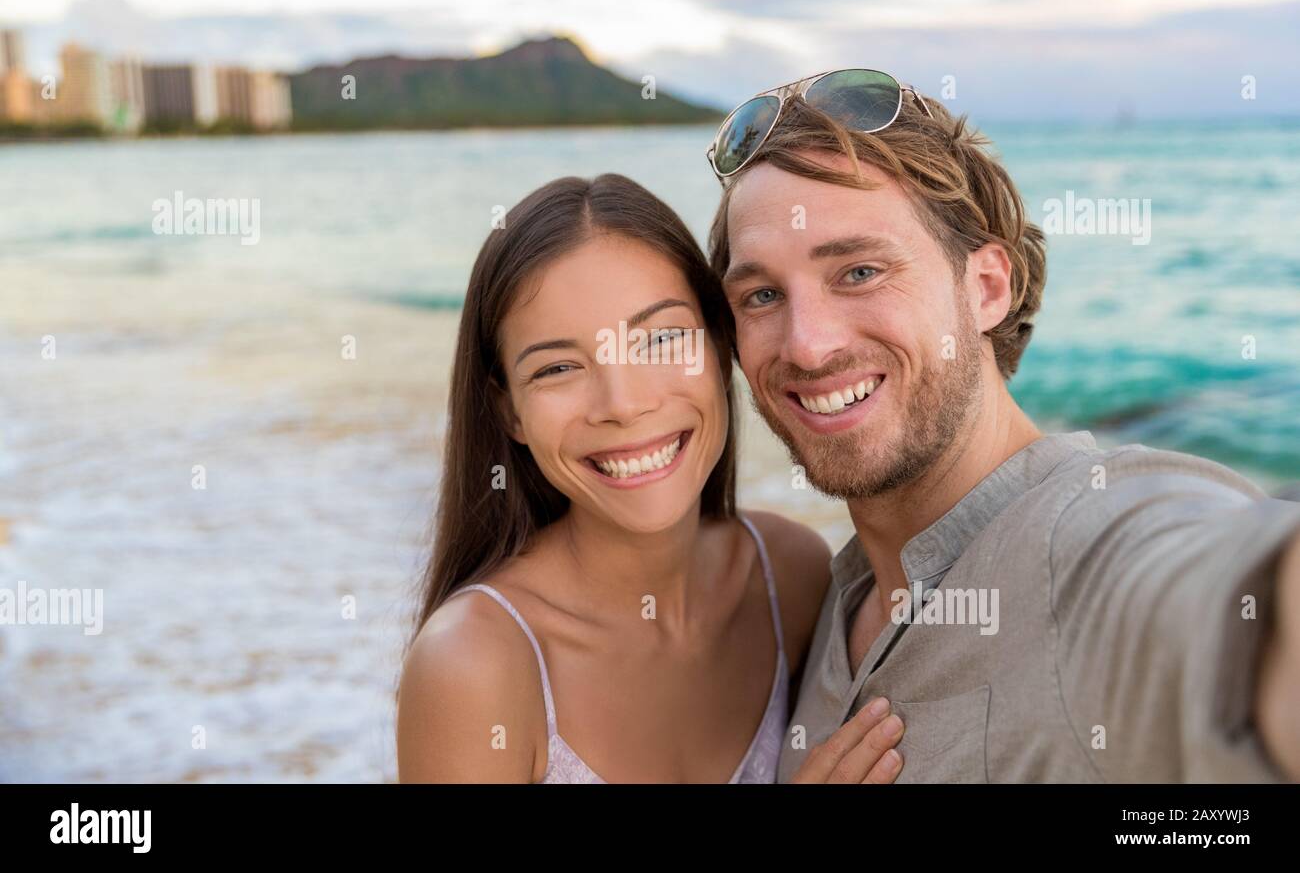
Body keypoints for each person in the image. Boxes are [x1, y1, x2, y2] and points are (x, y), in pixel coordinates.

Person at [703, 67, 1300, 782]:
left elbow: (1233, 597)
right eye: (763, 294)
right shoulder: (833, 602)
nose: (807, 344)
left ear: (987, 287)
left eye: (859, 272)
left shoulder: (1093, 541)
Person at [397, 173, 906, 783]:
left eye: (661, 339)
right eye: (559, 367)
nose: (624, 403)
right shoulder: (472, 665)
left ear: (723, 348)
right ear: (509, 411)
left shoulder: (789, 577)